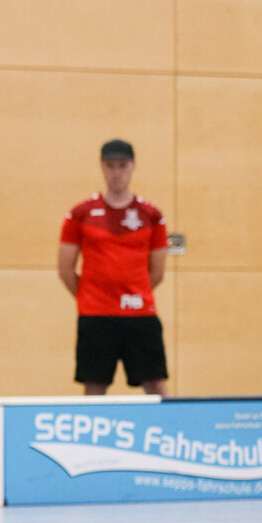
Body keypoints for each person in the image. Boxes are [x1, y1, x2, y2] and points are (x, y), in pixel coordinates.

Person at [58, 139, 168, 396]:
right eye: (110, 166)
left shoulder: (151, 215)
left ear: (133, 167)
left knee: (155, 385)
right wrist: (91, 298)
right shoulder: (81, 213)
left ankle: (167, 433)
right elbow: (65, 269)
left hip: (140, 314)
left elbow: (158, 272)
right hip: (96, 316)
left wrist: (133, 294)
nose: (116, 172)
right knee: (95, 386)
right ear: (102, 168)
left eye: (122, 165)